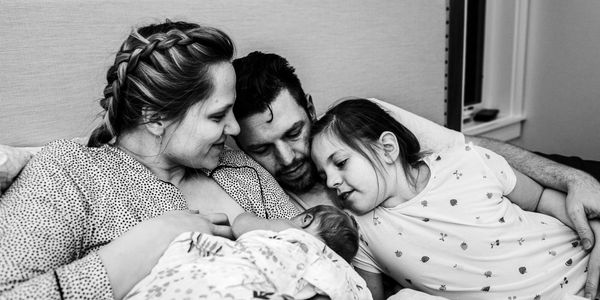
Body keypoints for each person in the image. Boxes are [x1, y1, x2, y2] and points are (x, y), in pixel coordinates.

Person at [231, 51, 600, 296]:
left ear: (309, 109)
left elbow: (472, 148)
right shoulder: (278, 206)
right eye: (262, 149)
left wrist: (575, 185)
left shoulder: (358, 126)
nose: (288, 157)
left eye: (294, 133)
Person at [0, 20, 240, 299]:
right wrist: (150, 242)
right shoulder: (70, 171)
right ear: (155, 118)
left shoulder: (239, 167)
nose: (235, 129)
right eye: (217, 115)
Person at [310, 98, 597, 300]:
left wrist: (594, 229)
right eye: (324, 176)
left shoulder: (466, 162)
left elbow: (542, 198)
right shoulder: (361, 232)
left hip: (581, 259)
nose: (332, 181)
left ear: (387, 148)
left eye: (341, 163)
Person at [124, 205, 370, 300]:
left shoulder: (291, 232)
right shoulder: (344, 274)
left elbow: (241, 224)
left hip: (236, 279)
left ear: (305, 219)